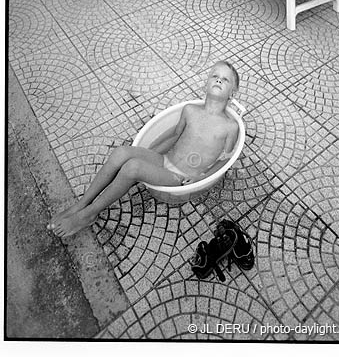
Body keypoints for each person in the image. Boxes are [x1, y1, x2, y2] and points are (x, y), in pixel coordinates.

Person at [47, 61, 240, 238]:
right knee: (122, 152)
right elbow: (174, 136)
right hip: (165, 160)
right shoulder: (190, 110)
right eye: (214, 76)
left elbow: (224, 160)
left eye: (225, 79)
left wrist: (201, 178)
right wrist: (151, 154)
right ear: (205, 84)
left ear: (233, 92)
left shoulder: (229, 126)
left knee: (133, 168)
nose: (218, 80)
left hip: (181, 177)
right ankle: (82, 203)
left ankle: (88, 214)